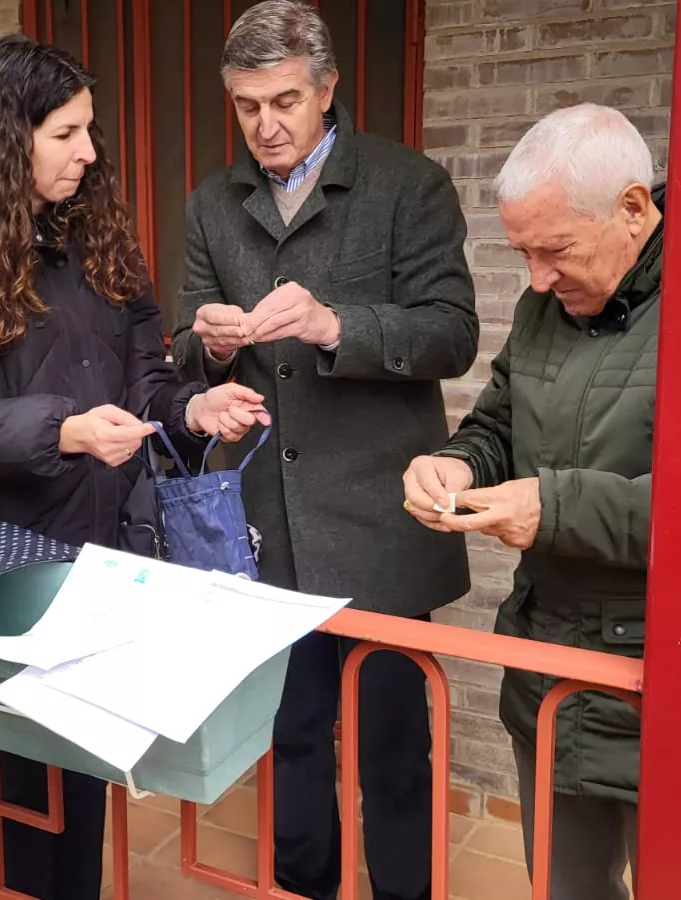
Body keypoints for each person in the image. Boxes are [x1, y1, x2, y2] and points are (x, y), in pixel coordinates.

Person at [403, 103, 681, 900]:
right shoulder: (550, 303)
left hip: (679, 685)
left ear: (634, 209)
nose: (534, 278)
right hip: (556, 672)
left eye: (554, 250)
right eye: (522, 252)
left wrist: (558, 509)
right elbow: (500, 419)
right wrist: (456, 463)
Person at [0, 34, 267, 900]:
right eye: (66, 132)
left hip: (107, 547)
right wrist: (65, 431)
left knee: (86, 766)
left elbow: (149, 380)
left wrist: (192, 407)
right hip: (14, 559)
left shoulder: (95, 232)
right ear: (4, 136)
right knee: (30, 784)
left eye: (89, 129)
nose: (89, 152)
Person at [171, 3, 479, 898]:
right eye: (247, 106)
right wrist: (214, 348)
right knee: (291, 732)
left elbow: (453, 332)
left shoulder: (405, 185)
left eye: (285, 101)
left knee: (392, 744)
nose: (266, 126)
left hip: (379, 520)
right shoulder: (210, 204)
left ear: (327, 88)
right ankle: (305, 885)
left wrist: (334, 322)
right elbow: (184, 349)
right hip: (266, 524)